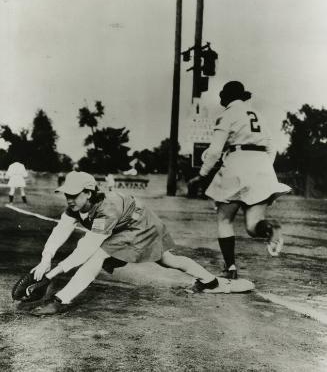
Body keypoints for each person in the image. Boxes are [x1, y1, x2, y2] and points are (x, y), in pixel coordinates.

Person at [29, 171, 221, 315]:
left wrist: (52, 274)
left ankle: (60, 300)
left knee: (98, 254)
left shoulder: (106, 209)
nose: (69, 200)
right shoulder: (75, 207)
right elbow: (60, 231)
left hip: (141, 225)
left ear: (88, 193)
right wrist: (46, 259)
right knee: (167, 260)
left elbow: (86, 248)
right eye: (67, 195)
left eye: (73, 195)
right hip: (126, 225)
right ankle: (209, 280)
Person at [189, 81, 291, 280]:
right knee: (254, 226)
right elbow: (272, 148)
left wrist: (202, 175)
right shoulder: (258, 115)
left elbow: (215, 151)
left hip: (237, 165)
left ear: (227, 97)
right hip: (262, 167)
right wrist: (263, 171)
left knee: (224, 220)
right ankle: (271, 228)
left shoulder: (227, 115)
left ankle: (231, 268)